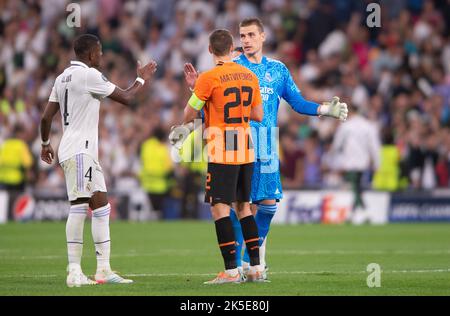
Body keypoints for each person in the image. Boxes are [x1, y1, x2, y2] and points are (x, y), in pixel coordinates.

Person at [181, 18, 348, 279]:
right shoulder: (235, 67)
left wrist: (324, 109)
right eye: (242, 36)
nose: (246, 40)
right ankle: (242, 266)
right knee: (243, 206)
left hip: (268, 143)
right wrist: (196, 91)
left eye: (250, 35)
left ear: (262, 37)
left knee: (268, 206)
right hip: (240, 141)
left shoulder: (278, 70)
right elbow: (213, 103)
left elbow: (297, 101)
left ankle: (250, 260)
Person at [40, 34, 157, 287]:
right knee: (80, 207)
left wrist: (45, 143)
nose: (102, 56)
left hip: (75, 150)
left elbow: (46, 117)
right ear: (91, 54)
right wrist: (141, 79)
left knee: (102, 206)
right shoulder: (89, 75)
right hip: (80, 151)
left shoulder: (61, 78)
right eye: (100, 52)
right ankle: (74, 271)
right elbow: (127, 97)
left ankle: (103, 269)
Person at [177, 29, 264, 284]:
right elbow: (258, 115)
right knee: (244, 208)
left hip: (222, 149)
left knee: (220, 210)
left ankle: (230, 272)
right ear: (232, 47)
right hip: (246, 147)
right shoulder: (249, 75)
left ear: (209, 50)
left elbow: (188, 115)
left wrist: (197, 94)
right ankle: (256, 269)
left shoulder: (208, 77)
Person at [331, 103, 380, 222]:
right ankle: (353, 214)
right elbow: (374, 146)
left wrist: (333, 160)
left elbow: (337, 145)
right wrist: (377, 163)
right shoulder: (368, 125)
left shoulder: (346, 126)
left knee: (355, 188)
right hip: (363, 163)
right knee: (356, 187)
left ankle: (365, 212)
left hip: (350, 163)